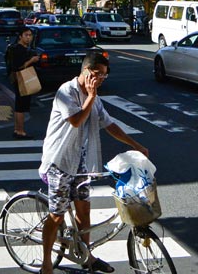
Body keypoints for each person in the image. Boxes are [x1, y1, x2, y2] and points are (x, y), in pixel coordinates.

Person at [39, 50, 148, 274]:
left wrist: (135, 145)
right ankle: (46, 263)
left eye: (104, 76)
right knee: (57, 215)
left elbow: (108, 124)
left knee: (84, 210)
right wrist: (90, 95)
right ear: (87, 71)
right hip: (58, 161)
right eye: (97, 74)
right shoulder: (66, 92)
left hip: (80, 161)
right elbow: (77, 121)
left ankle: (86, 255)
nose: (100, 79)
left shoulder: (94, 97)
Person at [6, 27, 40, 139]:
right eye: (26, 35)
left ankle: (18, 129)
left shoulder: (17, 48)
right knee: (21, 105)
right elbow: (19, 66)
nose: (29, 37)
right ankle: (20, 131)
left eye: (30, 35)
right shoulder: (18, 49)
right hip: (21, 78)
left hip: (18, 78)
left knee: (19, 105)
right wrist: (32, 60)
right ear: (20, 36)